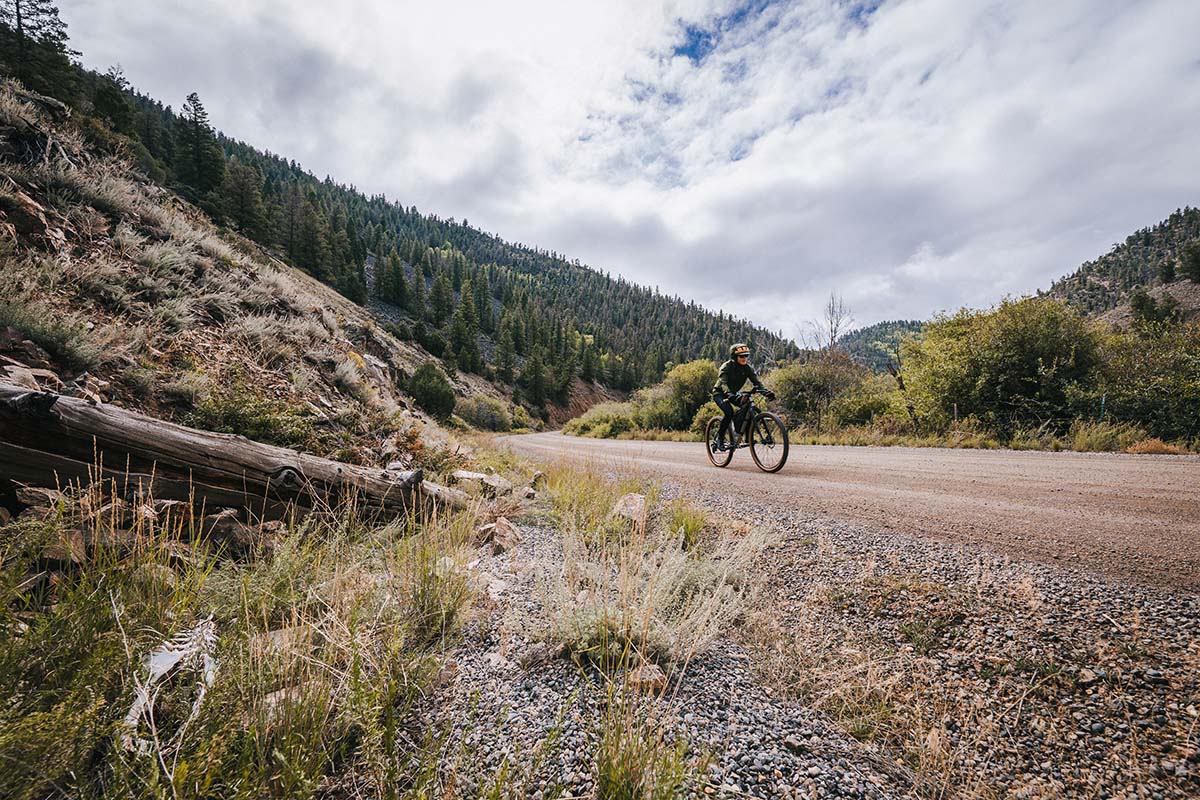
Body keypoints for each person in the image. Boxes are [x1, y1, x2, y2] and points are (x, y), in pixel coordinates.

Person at [711, 343, 774, 450]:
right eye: (741, 356)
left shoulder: (747, 368)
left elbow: (756, 382)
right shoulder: (726, 367)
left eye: (746, 356)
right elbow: (723, 383)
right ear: (735, 357)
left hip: (734, 393)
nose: (744, 358)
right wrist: (728, 393)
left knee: (748, 408)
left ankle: (746, 436)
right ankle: (720, 439)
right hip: (720, 393)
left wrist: (765, 392)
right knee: (729, 412)